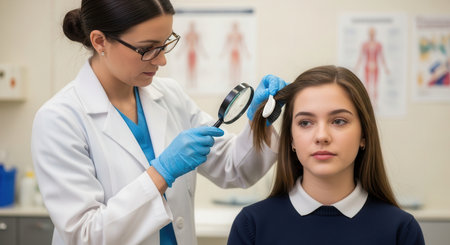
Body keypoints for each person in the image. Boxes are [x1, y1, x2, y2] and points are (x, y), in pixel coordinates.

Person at [30, 1, 286, 244]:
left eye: (165, 44)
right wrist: (160, 174)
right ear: (100, 41)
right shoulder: (60, 119)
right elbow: (85, 236)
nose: (162, 60)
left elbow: (233, 168)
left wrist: (259, 124)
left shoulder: (170, 96)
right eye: (147, 48)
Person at [228, 65, 425, 245]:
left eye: (339, 121)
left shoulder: (401, 230)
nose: (322, 136)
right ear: (291, 140)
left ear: (364, 135)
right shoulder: (252, 226)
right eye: (305, 123)